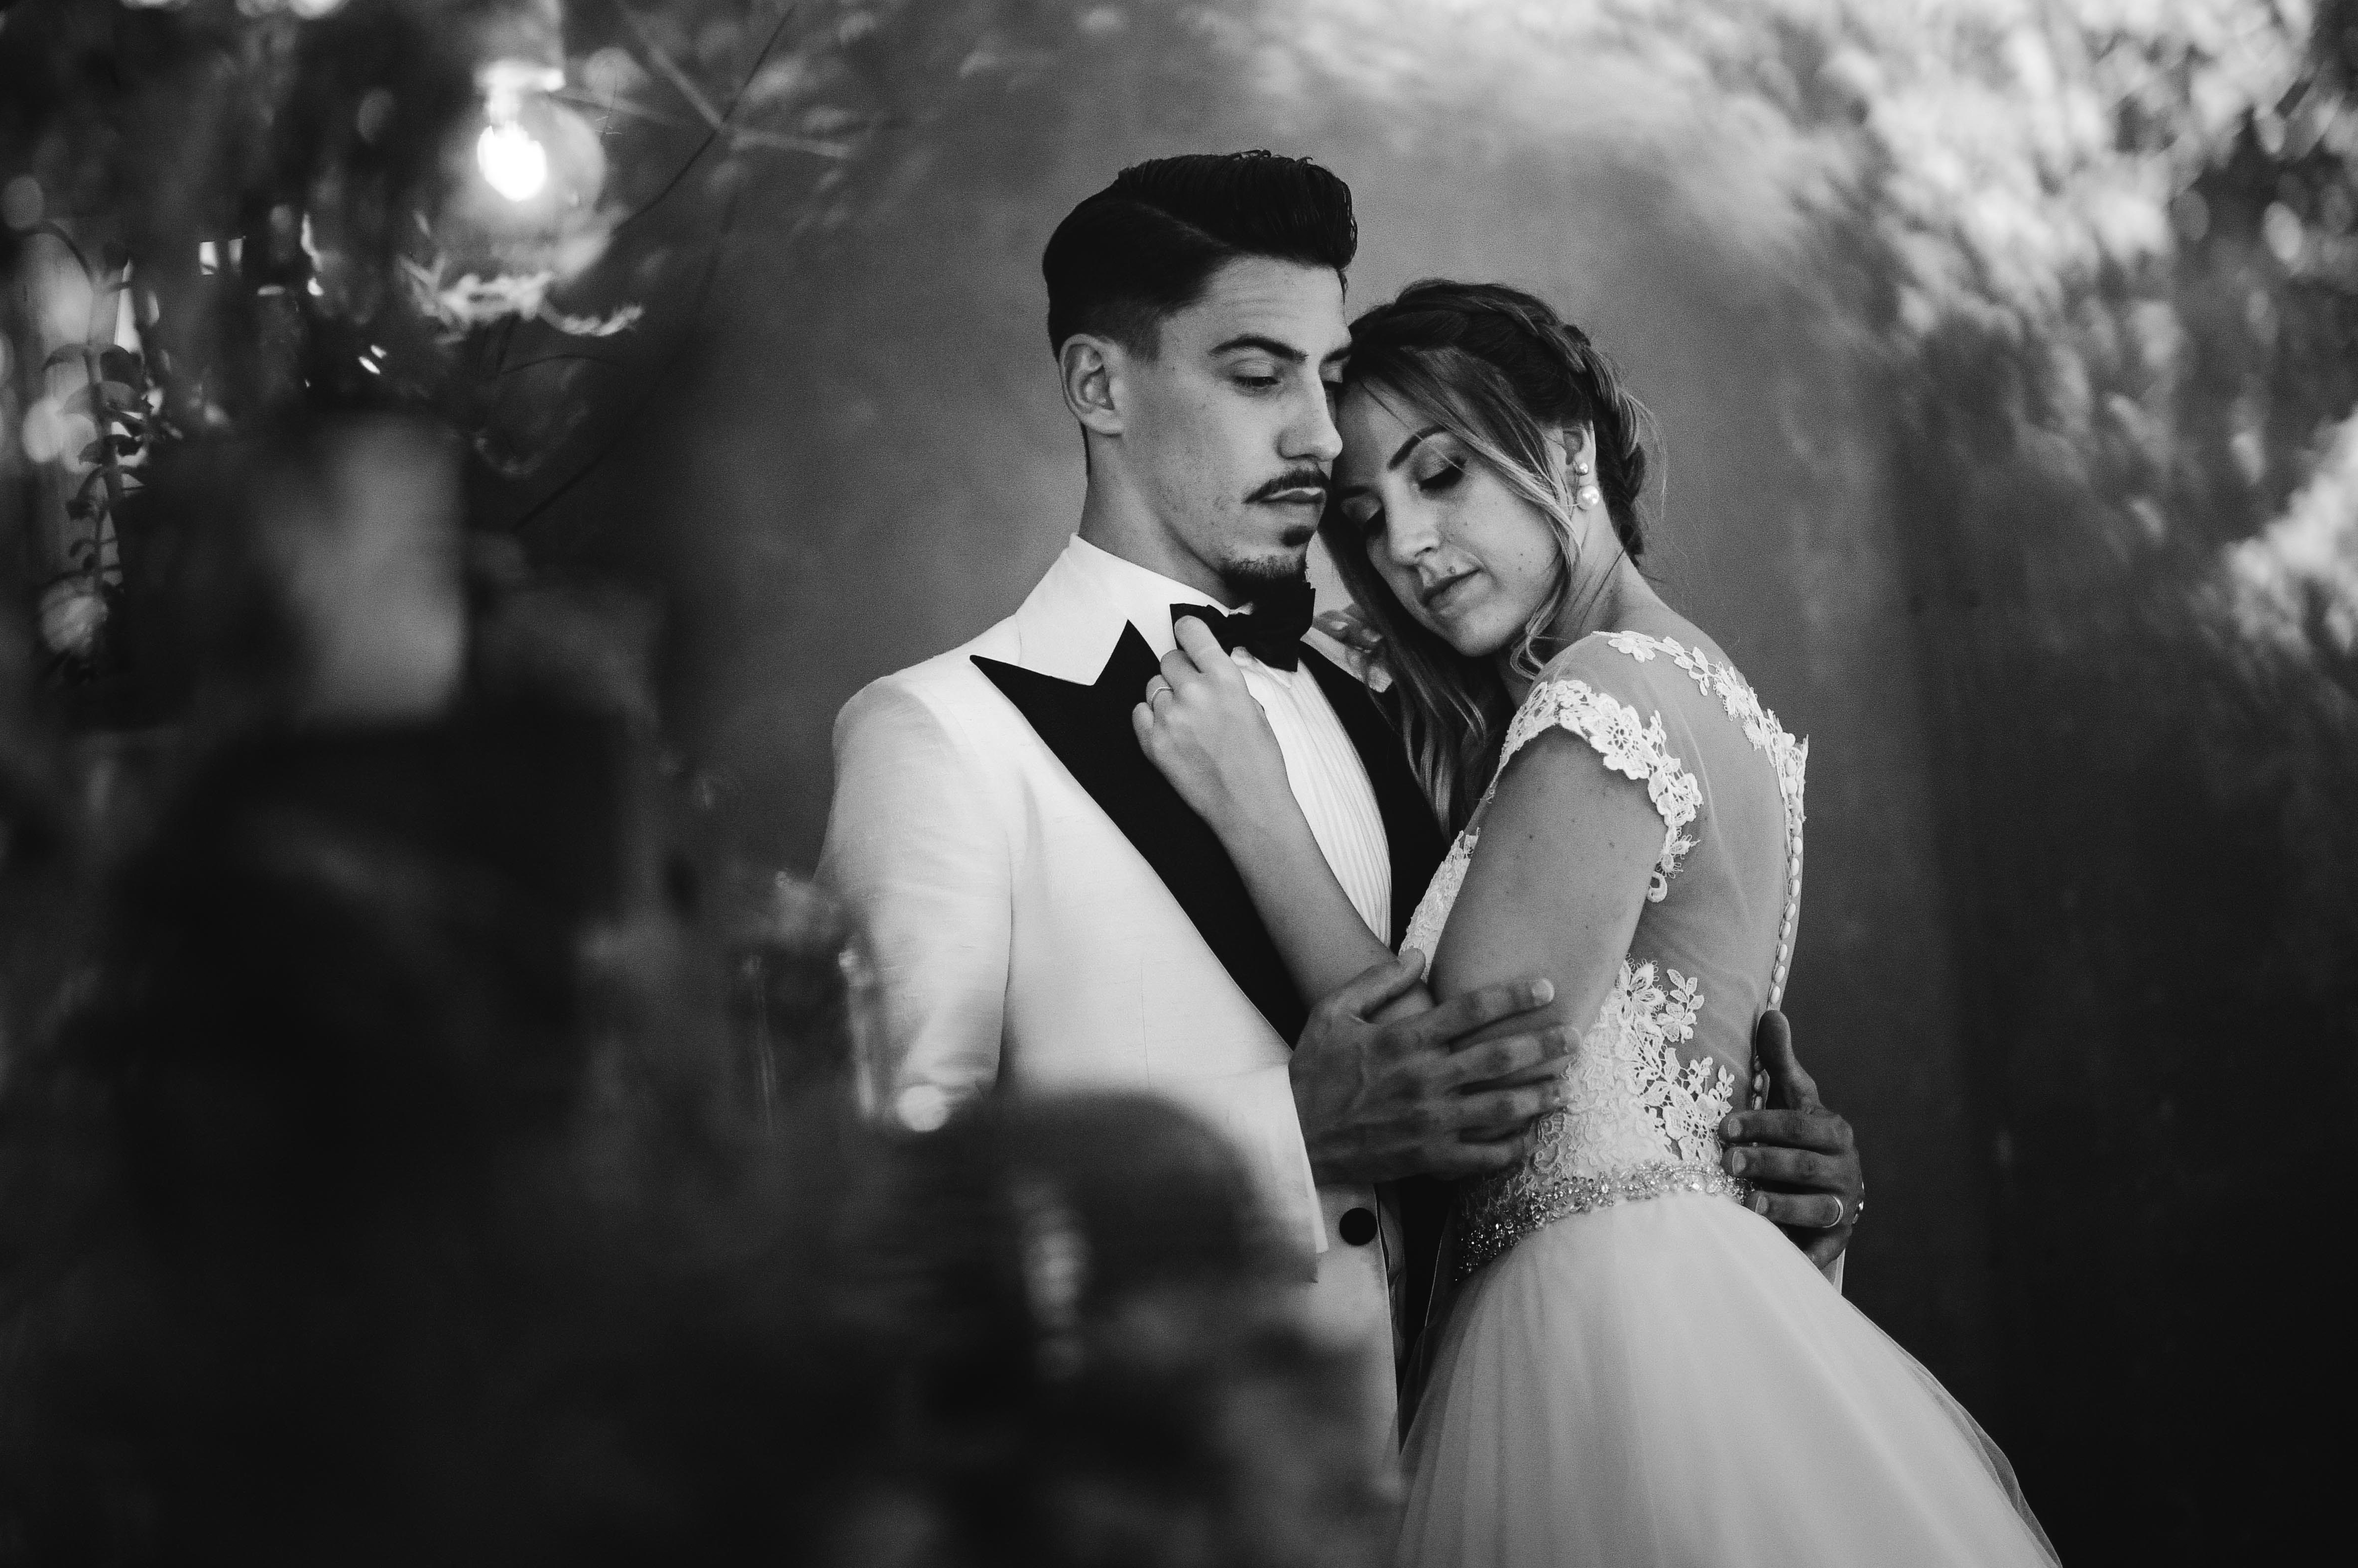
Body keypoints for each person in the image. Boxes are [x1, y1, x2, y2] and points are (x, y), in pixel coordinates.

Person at [816, 152, 1867, 1493]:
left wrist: (1757, 1188)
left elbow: (1566, 1075)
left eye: (1326, 380)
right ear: (1099, 387)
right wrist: (1288, 1142)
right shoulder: (943, 737)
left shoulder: (1415, 712)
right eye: (1260, 377)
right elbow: (874, 1229)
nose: (1319, 436)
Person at [1134, 278, 2054, 1563]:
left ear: (1567, 451)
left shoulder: (1607, 692)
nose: (1406, 546)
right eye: (1367, 517)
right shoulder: (1699, 694)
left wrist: (1256, 810)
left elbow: (1468, 1086)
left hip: (1601, 1326)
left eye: (1441, 474)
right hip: (1675, 1309)